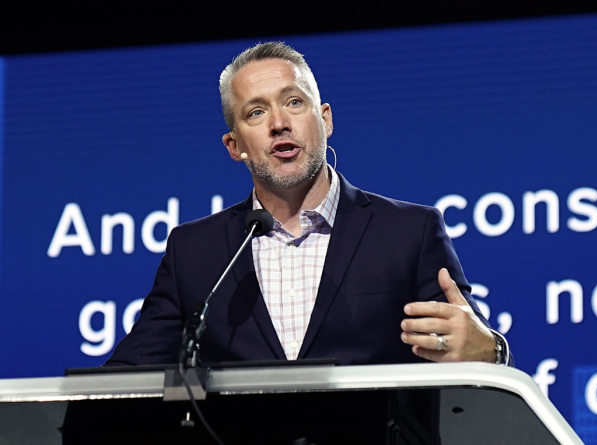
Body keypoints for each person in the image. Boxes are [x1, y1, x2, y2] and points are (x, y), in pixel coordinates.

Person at [105, 41, 511, 368]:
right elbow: (123, 380)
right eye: (256, 111)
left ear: (326, 119)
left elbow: (465, 359)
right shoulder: (195, 253)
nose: (279, 122)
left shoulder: (408, 234)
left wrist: (492, 353)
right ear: (234, 146)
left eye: (294, 102)